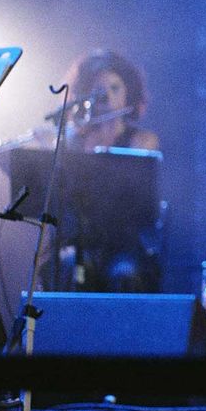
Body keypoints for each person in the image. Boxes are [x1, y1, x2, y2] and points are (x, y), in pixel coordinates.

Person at [51, 49, 161, 291]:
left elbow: (136, 199)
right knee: (71, 264)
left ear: (128, 92)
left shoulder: (142, 141)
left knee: (125, 273)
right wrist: (65, 139)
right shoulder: (73, 139)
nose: (107, 97)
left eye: (115, 88)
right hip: (80, 239)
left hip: (124, 242)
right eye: (99, 91)